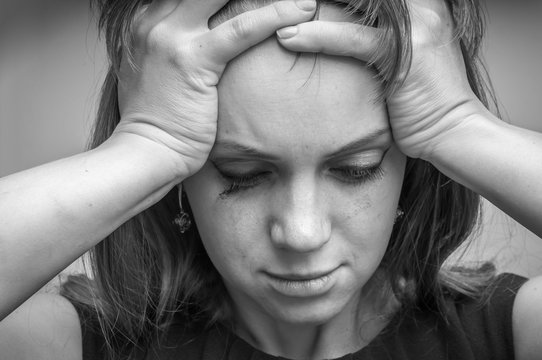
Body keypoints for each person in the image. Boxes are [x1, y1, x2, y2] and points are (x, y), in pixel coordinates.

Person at [1, 0, 542, 359]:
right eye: (242, 173)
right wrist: (144, 144)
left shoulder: (510, 334)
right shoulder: (74, 344)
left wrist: (458, 125)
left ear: (412, 168)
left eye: (356, 169)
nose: (302, 232)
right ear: (179, 181)